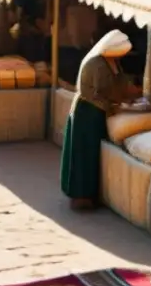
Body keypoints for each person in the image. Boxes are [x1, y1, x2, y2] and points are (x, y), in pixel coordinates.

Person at [60, 30, 141, 210]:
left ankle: (92, 193)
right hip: (87, 111)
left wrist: (131, 94)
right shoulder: (96, 63)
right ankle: (81, 195)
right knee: (84, 153)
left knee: (95, 153)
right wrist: (121, 101)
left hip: (99, 111)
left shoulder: (113, 62)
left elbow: (119, 84)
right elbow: (101, 90)